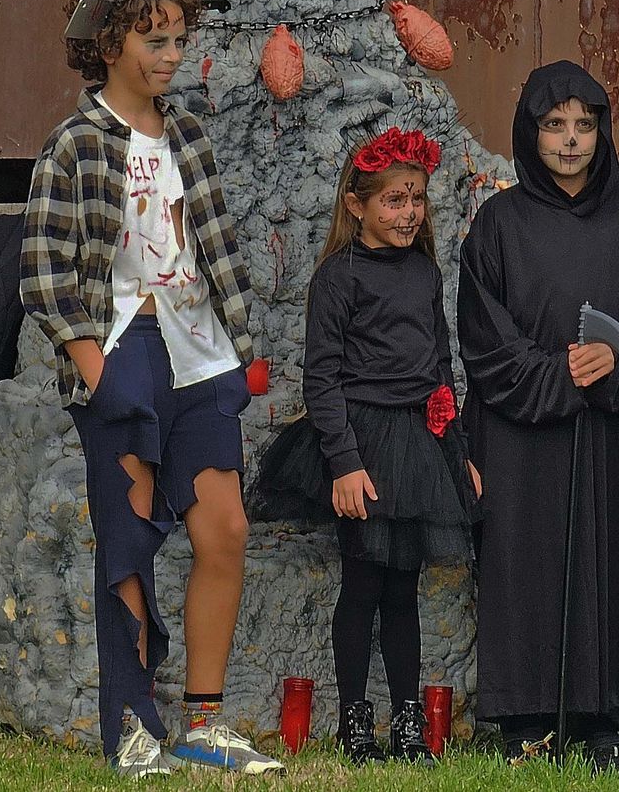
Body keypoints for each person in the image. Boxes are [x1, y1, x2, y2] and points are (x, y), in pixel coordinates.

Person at [20, 0, 283, 777]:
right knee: (128, 545)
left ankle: (203, 722)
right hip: (123, 350)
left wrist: (242, 343)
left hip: (200, 349)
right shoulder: (75, 145)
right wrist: (97, 370)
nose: (171, 54)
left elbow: (218, 245)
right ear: (108, 42)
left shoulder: (189, 136)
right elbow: (44, 273)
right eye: (153, 38)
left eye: (179, 38)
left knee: (225, 529)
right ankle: (133, 726)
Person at [457, 60, 619, 772]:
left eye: (583, 126)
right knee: (524, 561)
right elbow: (483, 335)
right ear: (531, 132)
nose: (569, 140)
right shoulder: (498, 222)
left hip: (610, 429)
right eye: (555, 125)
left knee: (607, 558)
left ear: (601, 132)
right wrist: (558, 373)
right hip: (522, 435)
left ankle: (604, 717)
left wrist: (617, 362)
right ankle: (527, 716)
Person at [251, 127, 479, 765]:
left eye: (416, 200)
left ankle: (408, 723)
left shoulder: (425, 272)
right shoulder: (338, 277)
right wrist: (344, 465)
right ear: (358, 205)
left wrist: (456, 452)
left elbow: (440, 369)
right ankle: (355, 721)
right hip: (360, 443)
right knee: (364, 583)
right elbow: (321, 379)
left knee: (403, 587)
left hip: (416, 442)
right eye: (394, 202)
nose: (408, 214)